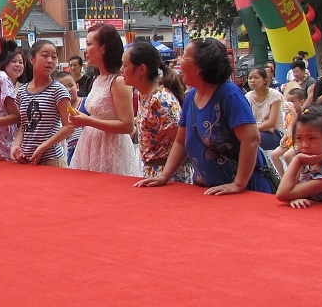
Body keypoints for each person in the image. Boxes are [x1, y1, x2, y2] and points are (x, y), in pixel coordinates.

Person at [136, 37, 276, 194]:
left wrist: (238, 184)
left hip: (245, 191)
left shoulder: (229, 94)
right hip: (208, 191)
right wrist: (164, 176)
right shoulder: (191, 97)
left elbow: (251, 139)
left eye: (185, 56)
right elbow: (180, 142)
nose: (180, 61)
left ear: (200, 66)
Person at [69, 25, 141, 176]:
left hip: (111, 148)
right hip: (90, 145)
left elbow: (127, 125)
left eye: (89, 44)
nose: (85, 50)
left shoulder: (118, 81)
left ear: (103, 48)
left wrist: (87, 121)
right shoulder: (97, 78)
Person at [122, 40, 184, 180]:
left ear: (141, 69)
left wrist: (165, 175)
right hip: (153, 172)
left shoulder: (161, 100)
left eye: (125, 65)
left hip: (170, 176)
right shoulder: (143, 95)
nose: (121, 70)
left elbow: (181, 142)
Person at [11, 40, 72, 167]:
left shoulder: (58, 90)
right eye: (45, 55)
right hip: (26, 160)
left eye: (54, 57)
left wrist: (43, 147)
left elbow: (69, 126)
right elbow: (24, 124)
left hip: (51, 160)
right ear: (31, 59)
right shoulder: (22, 91)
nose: (50, 60)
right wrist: (16, 146)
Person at [275, 107, 322, 208]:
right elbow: (289, 189)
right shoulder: (307, 162)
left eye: (312, 138)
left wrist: (297, 160)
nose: (304, 145)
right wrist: (294, 197)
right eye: (299, 138)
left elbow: (282, 194)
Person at [245, 67, 285, 152]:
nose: (252, 80)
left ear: (265, 80)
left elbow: (271, 123)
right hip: (256, 130)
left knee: (250, 138)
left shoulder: (274, 95)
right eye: (250, 78)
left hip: (276, 133)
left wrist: (253, 129)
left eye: (256, 77)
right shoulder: (248, 96)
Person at [55, 71, 83, 165]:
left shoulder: (87, 104)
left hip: (87, 149)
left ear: (77, 87)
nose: (68, 89)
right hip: (70, 151)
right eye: (63, 87)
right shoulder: (57, 111)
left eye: (71, 85)